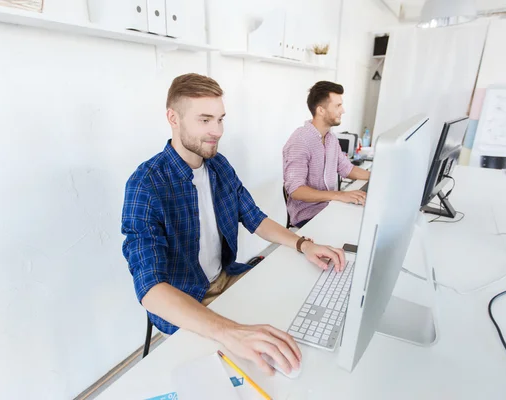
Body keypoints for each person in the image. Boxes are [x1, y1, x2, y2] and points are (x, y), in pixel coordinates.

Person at [121, 73, 347, 376]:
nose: (217, 131)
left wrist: (303, 244)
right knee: (254, 365)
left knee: (299, 315)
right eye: (205, 120)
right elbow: (150, 288)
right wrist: (229, 332)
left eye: (220, 119)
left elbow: (254, 217)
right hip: (187, 301)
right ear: (172, 118)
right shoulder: (146, 184)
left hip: (227, 279)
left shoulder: (218, 166)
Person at [283, 81, 371, 228]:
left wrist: (377, 178)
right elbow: (296, 190)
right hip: (308, 215)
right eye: (338, 106)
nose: (343, 110)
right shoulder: (300, 141)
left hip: (329, 207)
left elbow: (346, 168)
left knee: (366, 217)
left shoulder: (331, 139)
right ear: (321, 110)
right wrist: (339, 195)